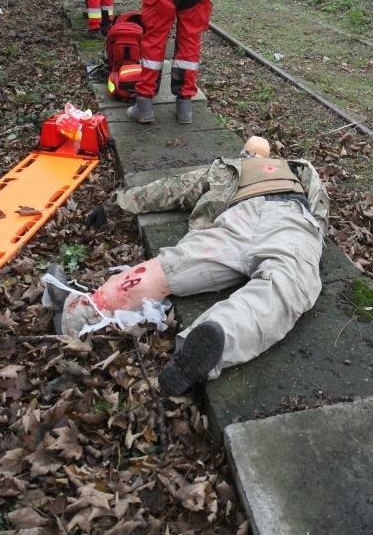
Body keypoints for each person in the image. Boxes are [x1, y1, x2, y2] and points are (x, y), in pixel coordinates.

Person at [46, 135, 329, 396]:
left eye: (258, 150)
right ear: (243, 152)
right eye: (250, 150)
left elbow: (319, 208)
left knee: (285, 284)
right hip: (239, 219)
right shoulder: (227, 170)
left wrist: (310, 240)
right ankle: (75, 310)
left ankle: (202, 350)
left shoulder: (299, 168)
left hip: (288, 219)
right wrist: (116, 204)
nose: (254, 154)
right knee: (170, 268)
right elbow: (173, 188)